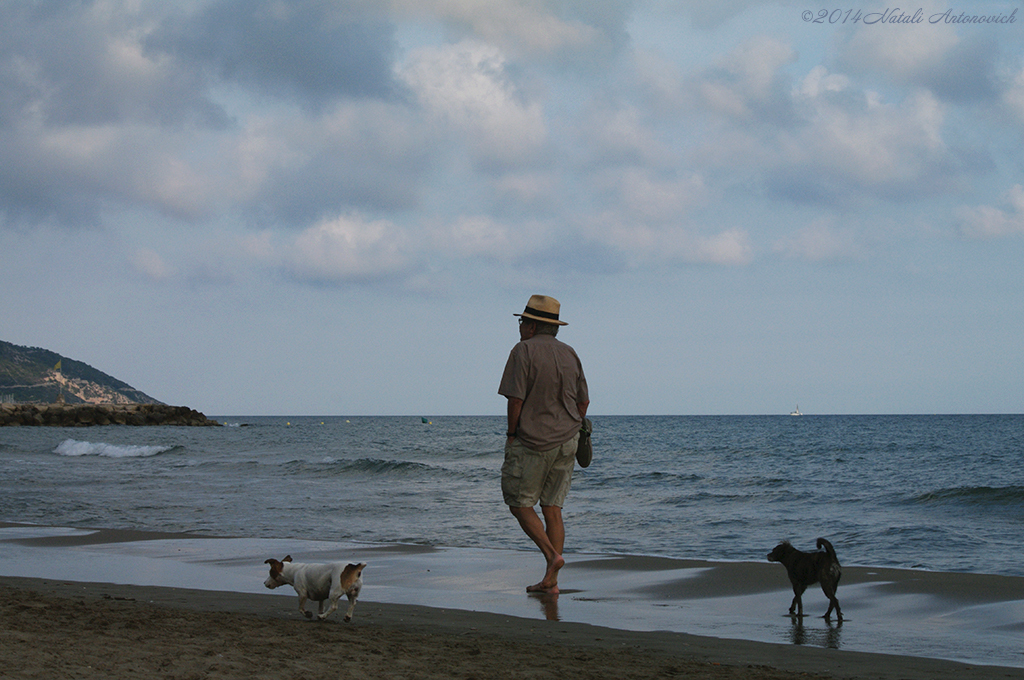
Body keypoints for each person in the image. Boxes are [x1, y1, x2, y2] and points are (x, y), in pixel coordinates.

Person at [498, 294, 589, 594]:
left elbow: (516, 399)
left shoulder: (522, 351)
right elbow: (583, 400)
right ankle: (551, 580)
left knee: (519, 503)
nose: (520, 327)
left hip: (533, 441)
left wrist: (512, 433)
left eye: (523, 321)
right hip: (568, 439)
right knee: (553, 507)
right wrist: (570, 425)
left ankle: (552, 556)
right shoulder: (570, 353)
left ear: (534, 326)